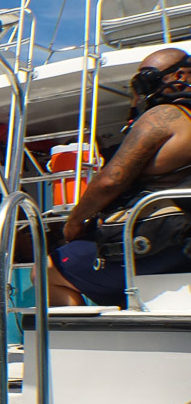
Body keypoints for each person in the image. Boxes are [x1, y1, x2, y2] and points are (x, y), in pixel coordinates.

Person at [48, 47, 191, 306]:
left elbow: (110, 180)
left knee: (50, 268)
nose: (140, 92)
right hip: (180, 244)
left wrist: (74, 224)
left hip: (161, 244)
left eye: (144, 80)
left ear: (179, 74)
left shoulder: (164, 115)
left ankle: (83, 345)